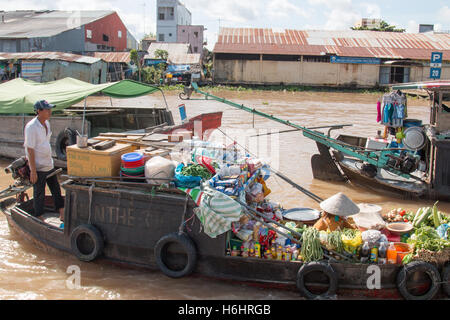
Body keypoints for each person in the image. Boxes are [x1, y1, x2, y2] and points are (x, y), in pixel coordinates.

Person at [24, 100, 64, 222]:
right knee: (39, 193)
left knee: (56, 189)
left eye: (49, 109)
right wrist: (33, 171)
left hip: (48, 163)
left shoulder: (47, 123)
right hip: (38, 166)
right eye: (47, 110)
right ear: (39, 111)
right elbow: (30, 149)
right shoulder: (31, 127)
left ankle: (62, 213)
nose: (49, 112)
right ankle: (39, 217)